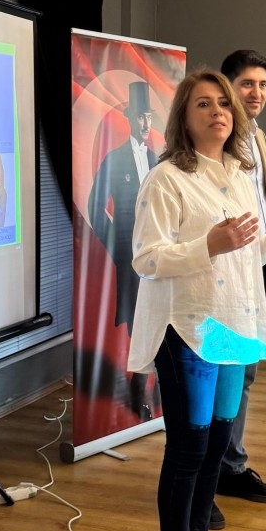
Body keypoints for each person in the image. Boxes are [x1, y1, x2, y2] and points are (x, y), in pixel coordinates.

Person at [127, 68, 266, 531]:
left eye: (223, 104)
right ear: (184, 117)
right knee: (188, 450)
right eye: (203, 104)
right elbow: (147, 258)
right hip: (188, 328)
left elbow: (242, 256)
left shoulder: (239, 174)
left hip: (233, 327)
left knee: (214, 450)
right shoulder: (166, 179)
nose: (218, 112)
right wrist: (207, 243)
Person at [213, 48, 266, 524]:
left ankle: (230, 466)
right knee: (221, 372)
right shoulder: (216, 138)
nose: (256, 93)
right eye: (247, 84)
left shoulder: (258, 137)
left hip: (255, 261)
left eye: (262, 85)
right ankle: (206, 478)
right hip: (222, 269)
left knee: (244, 372)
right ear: (227, 85)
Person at [88, 80, 158, 416]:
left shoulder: (157, 159)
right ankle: (137, 390)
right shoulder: (115, 160)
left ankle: (150, 386)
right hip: (130, 260)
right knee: (137, 324)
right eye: (140, 116)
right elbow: (95, 207)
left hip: (160, 258)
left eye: (149, 116)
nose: (146, 123)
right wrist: (118, 248)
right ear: (130, 118)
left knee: (158, 321)